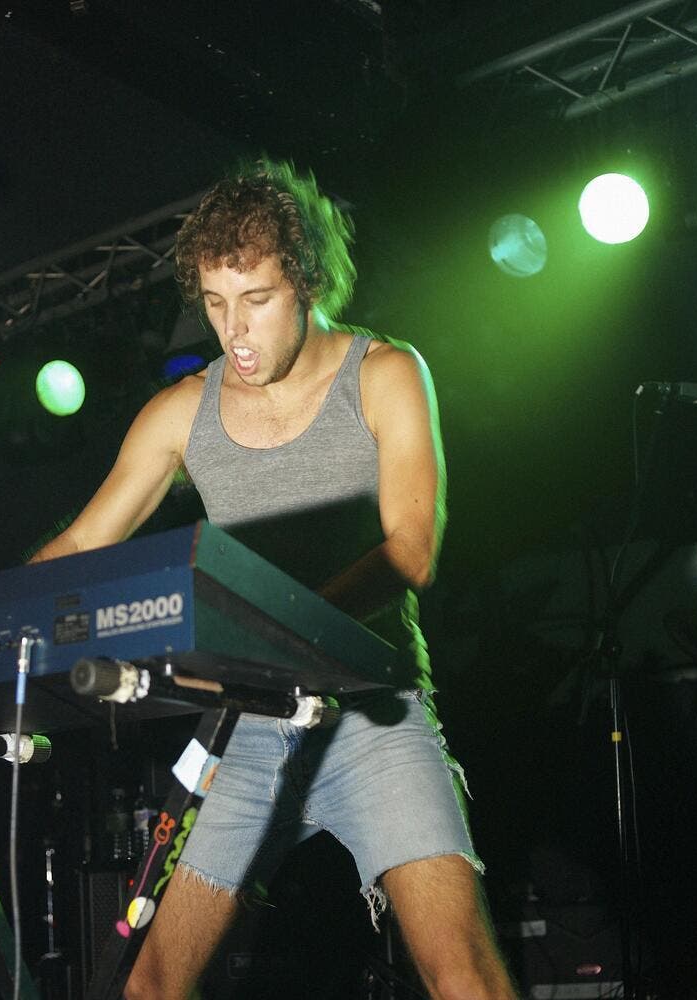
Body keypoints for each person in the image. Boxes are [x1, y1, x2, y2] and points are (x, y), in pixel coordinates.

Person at [30, 158, 518, 1000]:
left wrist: (279, 631)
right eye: (216, 304)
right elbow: (80, 542)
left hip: (372, 718)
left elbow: (412, 550)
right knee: (149, 986)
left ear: (308, 281)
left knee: (463, 977)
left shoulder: (385, 373)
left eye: (255, 299)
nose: (235, 330)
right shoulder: (182, 412)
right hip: (246, 731)